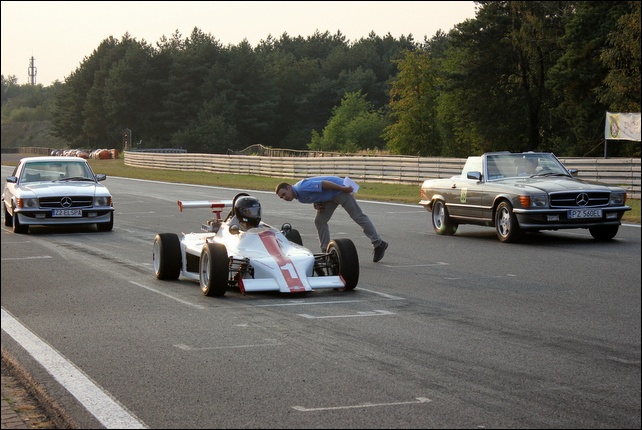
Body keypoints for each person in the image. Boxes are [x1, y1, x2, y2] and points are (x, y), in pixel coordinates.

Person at [275, 176, 388, 262]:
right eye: (282, 197)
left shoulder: (301, 187)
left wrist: (343, 188)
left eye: (284, 194)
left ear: (289, 187)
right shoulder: (299, 197)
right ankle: (326, 252)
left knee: (358, 216)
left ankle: (378, 243)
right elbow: (316, 194)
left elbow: (324, 184)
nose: (284, 198)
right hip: (330, 197)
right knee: (319, 221)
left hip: (339, 191)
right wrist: (317, 204)